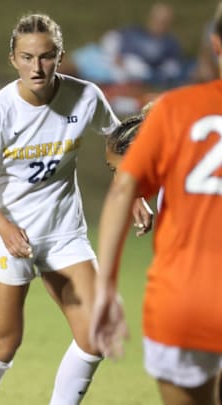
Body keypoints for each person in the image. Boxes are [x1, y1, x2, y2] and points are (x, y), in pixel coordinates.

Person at [0, 13, 153, 405]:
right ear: (13, 59)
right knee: (3, 345)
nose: (37, 67)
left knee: (94, 337)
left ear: (60, 57)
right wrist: (4, 229)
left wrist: (134, 193)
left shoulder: (85, 96)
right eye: (27, 57)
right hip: (6, 235)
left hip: (64, 234)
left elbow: (119, 144)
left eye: (47, 57)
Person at [90, 2, 222, 404]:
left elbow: (121, 188)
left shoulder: (175, 108)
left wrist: (105, 289)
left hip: (182, 299)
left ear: (215, 44)